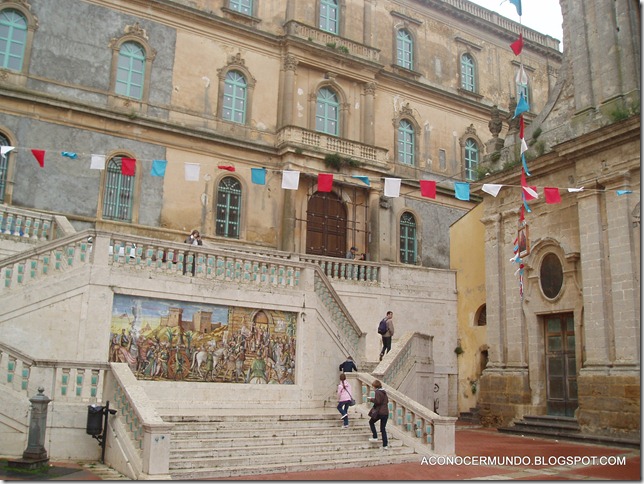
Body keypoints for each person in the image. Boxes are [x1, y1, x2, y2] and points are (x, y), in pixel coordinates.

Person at [367, 379, 389, 449]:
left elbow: (378, 401)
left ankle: (375, 436)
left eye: (373, 386)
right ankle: (385, 445)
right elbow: (386, 401)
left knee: (371, 422)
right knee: (383, 429)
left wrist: (371, 399)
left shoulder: (377, 392)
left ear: (375, 386)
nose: (373, 388)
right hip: (386, 412)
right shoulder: (384, 392)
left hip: (380, 412)